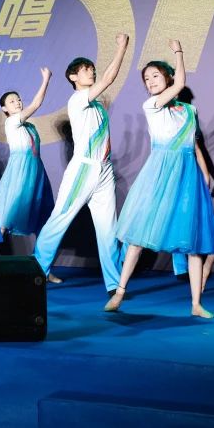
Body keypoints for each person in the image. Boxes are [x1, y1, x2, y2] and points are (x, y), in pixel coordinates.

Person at [108, 40, 214, 317]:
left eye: (155, 76)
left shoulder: (190, 111)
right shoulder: (151, 105)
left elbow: (195, 146)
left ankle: (196, 304)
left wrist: (205, 175)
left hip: (187, 177)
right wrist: (179, 52)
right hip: (160, 174)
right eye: (146, 79)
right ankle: (120, 293)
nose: (150, 82)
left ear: (167, 78)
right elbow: (181, 82)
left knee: (192, 242)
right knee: (138, 236)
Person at [30, 34, 130, 290]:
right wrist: (121, 47)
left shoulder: (97, 105)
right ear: (73, 77)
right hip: (84, 169)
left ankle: (114, 284)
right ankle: (37, 270)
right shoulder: (77, 100)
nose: (91, 72)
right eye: (86, 70)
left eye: (92, 69)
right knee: (60, 219)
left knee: (109, 229)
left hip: (105, 170)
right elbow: (108, 79)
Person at [0, 68, 54, 255]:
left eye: (18, 99)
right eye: (12, 101)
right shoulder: (12, 121)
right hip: (20, 171)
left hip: (36, 171)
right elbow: (36, 104)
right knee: (6, 214)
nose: (17, 102)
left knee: (41, 215)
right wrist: (45, 80)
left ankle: (41, 263)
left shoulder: (28, 125)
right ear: (4, 109)